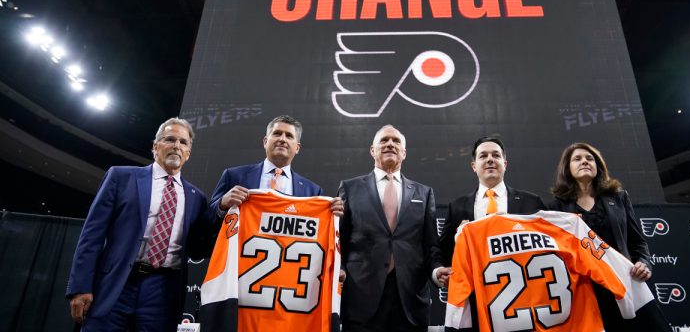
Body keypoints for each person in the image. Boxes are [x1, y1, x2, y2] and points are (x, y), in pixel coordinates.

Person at [66, 117, 215, 331]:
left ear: (188, 153)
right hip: (116, 284)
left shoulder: (196, 197)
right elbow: (92, 236)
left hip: (163, 290)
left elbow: (197, 247)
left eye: (183, 142)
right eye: (169, 139)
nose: (176, 146)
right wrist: (80, 287)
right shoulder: (121, 176)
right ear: (155, 146)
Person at [547, 142, 671, 332]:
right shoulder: (556, 207)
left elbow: (637, 242)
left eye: (590, 158)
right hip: (585, 291)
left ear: (598, 165)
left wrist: (644, 263)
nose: (585, 162)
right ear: (567, 168)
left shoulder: (619, 197)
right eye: (577, 159)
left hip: (624, 283)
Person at [338, 125, 450, 332]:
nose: (390, 144)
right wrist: (340, 269)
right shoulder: (350, 188)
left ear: (404, 153)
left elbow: (430, 245)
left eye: (396, 141)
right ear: (372, 150)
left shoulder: (424, 193)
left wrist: (436, 272)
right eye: (384, 140)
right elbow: (339, 241)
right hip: (361, 298)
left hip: (410, 301)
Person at [439, 136, 545, 265]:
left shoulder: (532, 202)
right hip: (476, 281)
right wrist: (460, 239)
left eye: (496, 155)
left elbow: (548, 243)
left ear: (505, 164)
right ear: (474, 166)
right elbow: (445, 253)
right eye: (483, 156)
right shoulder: (456, 207)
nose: (490, 159)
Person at [210, 115, 342, 216]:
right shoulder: (233, 176)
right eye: (277, 133)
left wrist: (332, 215)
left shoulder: (312, 191)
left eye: (289, 136)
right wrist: (221, 205)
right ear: (265, 142)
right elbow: (204, 223)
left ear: (297, 148)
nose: (282, 139)